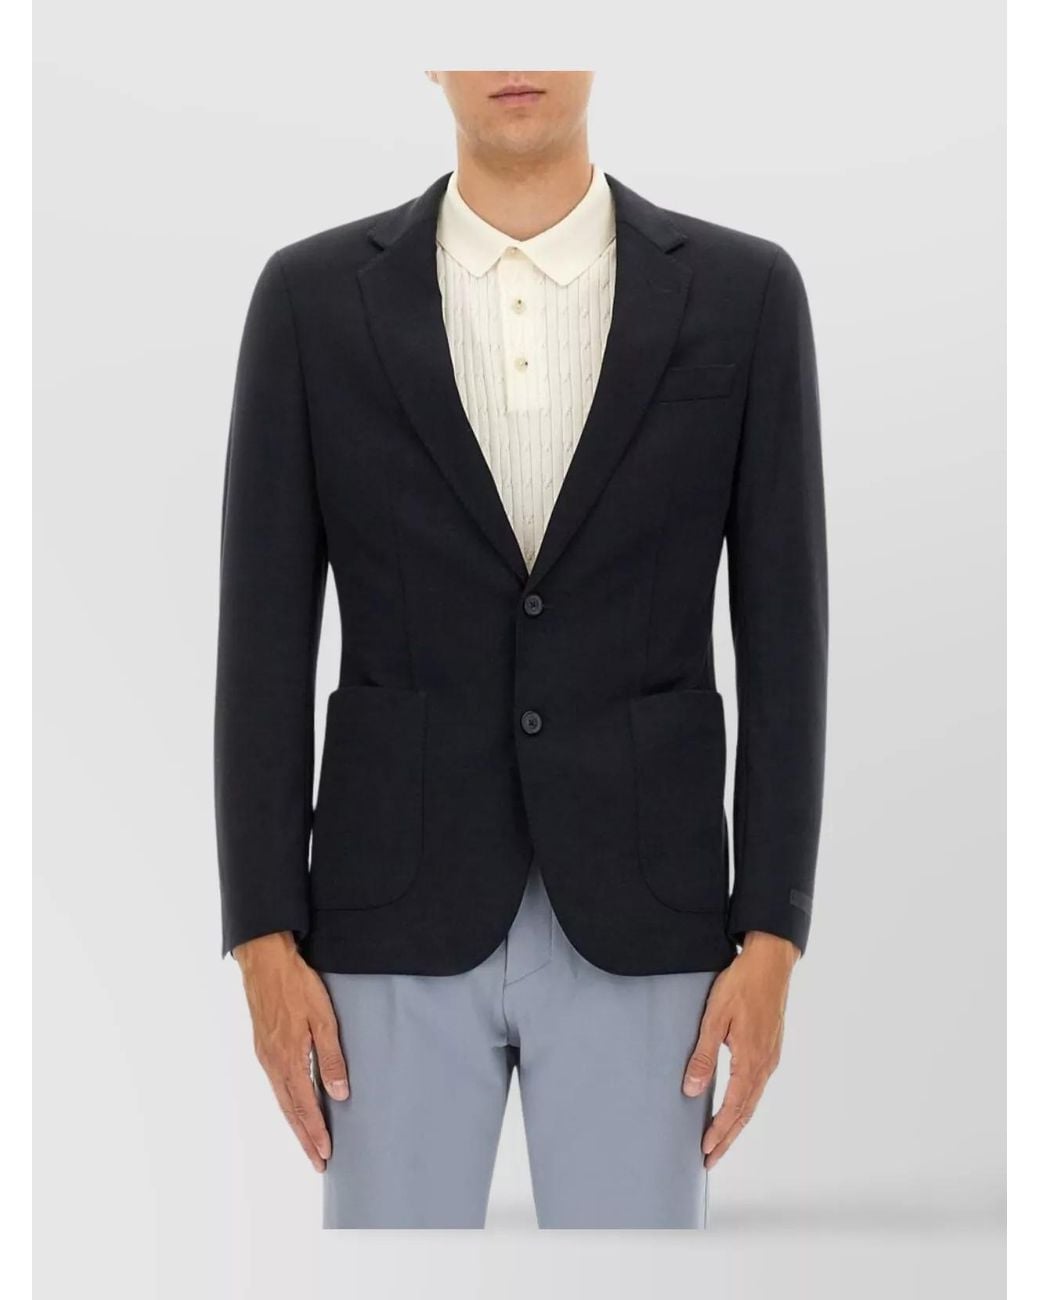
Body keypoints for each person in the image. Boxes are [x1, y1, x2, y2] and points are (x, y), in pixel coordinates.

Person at [215, 70, 828, 1229]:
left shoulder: (742, 294)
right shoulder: (310, 300)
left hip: (646, 913)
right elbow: (259, 641)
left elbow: (787, 637)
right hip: (386, 913)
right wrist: (260, 935)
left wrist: (773, 933)